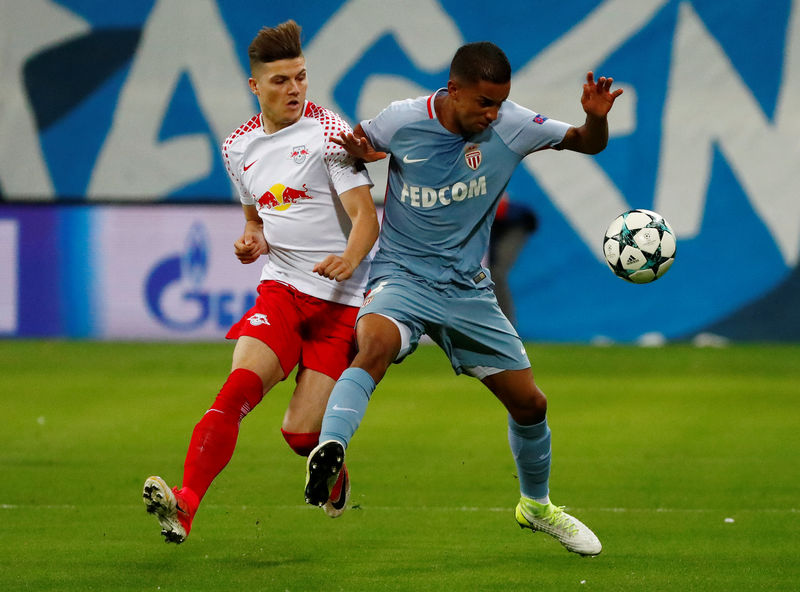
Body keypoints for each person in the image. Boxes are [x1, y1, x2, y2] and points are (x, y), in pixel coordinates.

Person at [303, 41, 622, 556]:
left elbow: (587, 142)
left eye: (500, 102)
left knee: (530, 403)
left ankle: (536, 506)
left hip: (466, 290)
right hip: (401, 275)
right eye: (483, 103)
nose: (492, 113)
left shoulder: (513, 125)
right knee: (374, 346)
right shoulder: (401, 119)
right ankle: (333, 445)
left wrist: (595, 119)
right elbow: (349, 148)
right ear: (453, 90)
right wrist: (361, 153)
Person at [142, 20, 379, 544]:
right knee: (236, 391)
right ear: (255, 87)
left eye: (300, 78)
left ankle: (333, 471)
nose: (294, 89)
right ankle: (185, 506)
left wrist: (348, 257)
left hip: (340, 304)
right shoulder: (238, 147)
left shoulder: (330, 135)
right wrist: (253, 240)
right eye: (281, 81)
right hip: (284, 290)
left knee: (299, 436)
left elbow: (366, 217)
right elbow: (256, 218)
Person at [488, 190, 539, 326]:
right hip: (496, 226)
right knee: (489, 273)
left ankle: (507, 326)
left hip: (513, 223)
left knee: (496, 273)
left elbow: (500, 208)